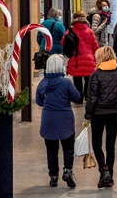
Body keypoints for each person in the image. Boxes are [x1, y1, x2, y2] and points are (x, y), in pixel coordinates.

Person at [35, 54, 82, 188]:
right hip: (65, 119)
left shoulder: (43, 83)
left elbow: (39, 102)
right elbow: (77, 97)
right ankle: (67, 171)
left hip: (48, 120)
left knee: (51, 150)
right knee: (68, 148)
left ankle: (53, 176)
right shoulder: (66, 82)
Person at [85, 46, 117, 189]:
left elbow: (92, 98)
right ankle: (110, 175)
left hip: (98, 114)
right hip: (114, 114)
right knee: (111, 146)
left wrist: (88, 115)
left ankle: (104, 172)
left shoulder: (96, 75)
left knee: (97, 144)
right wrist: (115, 104)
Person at [63, 11, 98, 103]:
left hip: (75, 59)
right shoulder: (89, 31)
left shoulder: (70, 31)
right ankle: (87, 97)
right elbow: (95, 46)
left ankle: (78, 99)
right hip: (89, 58)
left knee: (77, 80)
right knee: (88, 79)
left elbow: (63, 42)